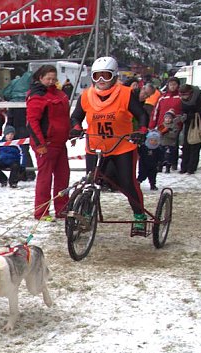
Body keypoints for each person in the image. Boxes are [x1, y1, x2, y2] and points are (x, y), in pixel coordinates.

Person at [69, 56, 149, 230]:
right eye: (97, 76)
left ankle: (139, 216)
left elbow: (142, 115)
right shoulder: (86, 96)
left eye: (105, 75)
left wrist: (141, 131)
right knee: (92, 182)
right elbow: (76, 116)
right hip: (95, 146)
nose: (101, 80)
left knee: (127, 183)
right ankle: (87, 213)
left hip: (122, 146)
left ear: (113, 76)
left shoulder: (126, 93)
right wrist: (76, 127)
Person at [26, 64, 71, 220]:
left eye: (53, 78)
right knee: (45, 179)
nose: (51, 81)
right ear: (40, 78)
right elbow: (32, 122)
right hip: (46, 143)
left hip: (60, 142)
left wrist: (70, 133)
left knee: (63, 176)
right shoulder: (37, 96)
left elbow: (65, 117)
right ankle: (41, 211)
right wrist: (40, 144)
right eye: (48, 79)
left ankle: (62, 208)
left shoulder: (59, 94)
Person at [178, 84, 201, 174]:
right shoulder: (183, 100)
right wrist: (183, 116)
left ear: (190, 93)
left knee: (195, 145)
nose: (184, 97)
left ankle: (191, 168)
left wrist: (188, 116)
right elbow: (183, 109)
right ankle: (184, 167)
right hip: (188, 123)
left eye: (185, 94)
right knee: (186, 145)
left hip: (198, 125)